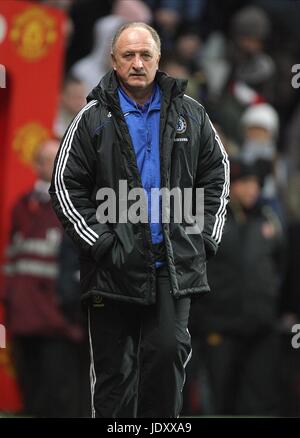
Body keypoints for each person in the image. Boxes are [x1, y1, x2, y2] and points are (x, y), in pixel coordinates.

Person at [49, 22, 229, 418]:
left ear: (158, 58)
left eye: (145, 54)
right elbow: (64, 187)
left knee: (166, 357)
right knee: (115, 377)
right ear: (113, 60)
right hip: (112, 267)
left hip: (172, 266)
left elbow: (218, 174)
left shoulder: (191, 113)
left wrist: (204, 239)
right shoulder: (91, 118)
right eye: (128, 55)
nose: (137, 63)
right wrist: (101, 243)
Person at [191, 158, 284, 415]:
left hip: (261, 328)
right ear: (230, 186)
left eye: (254, 183)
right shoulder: (210, 221)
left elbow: (280, 265)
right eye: (244, 183)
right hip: (220, 327)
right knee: (220, 402)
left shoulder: (268, 220)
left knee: (260, 402)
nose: (251, 189)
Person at [4, 139, 84, 417]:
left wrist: (69, 311)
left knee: (61, 401)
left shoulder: (75, 207)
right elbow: (12, 261)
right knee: (31, 398)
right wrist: (10, 300)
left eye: (57, 158)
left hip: (58, 324)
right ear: (35, 163)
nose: (51, 164)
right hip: (23, 319)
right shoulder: (22, 206)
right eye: (46, 158)